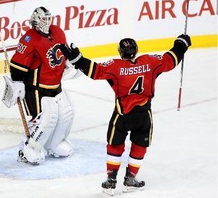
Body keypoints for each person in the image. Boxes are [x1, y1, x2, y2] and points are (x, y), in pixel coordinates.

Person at [61, 34, 192, 195]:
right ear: (136, 50)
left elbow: (94, 71)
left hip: (122, 115)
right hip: (144, 115)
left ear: (120, 52)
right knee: (140, 145)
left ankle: (111, 180)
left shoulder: (115, 67)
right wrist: (181, 44)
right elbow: (170, 60)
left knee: (115, 144)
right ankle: (130, 179)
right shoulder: (150, 62)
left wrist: (78, 59)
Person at [2, 6, 76, 165]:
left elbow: (64, 51)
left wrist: (71, 61)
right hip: (36, 88)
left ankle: (54, 144)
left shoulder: (57, 32)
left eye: (49, 18)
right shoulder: (29, 38)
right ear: (36, 20)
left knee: (64, 115)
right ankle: (27, 148)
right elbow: (17, 65)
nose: (47, 22)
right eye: (44, 19)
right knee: (43, 119)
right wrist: (17, 82)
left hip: (55, 83)